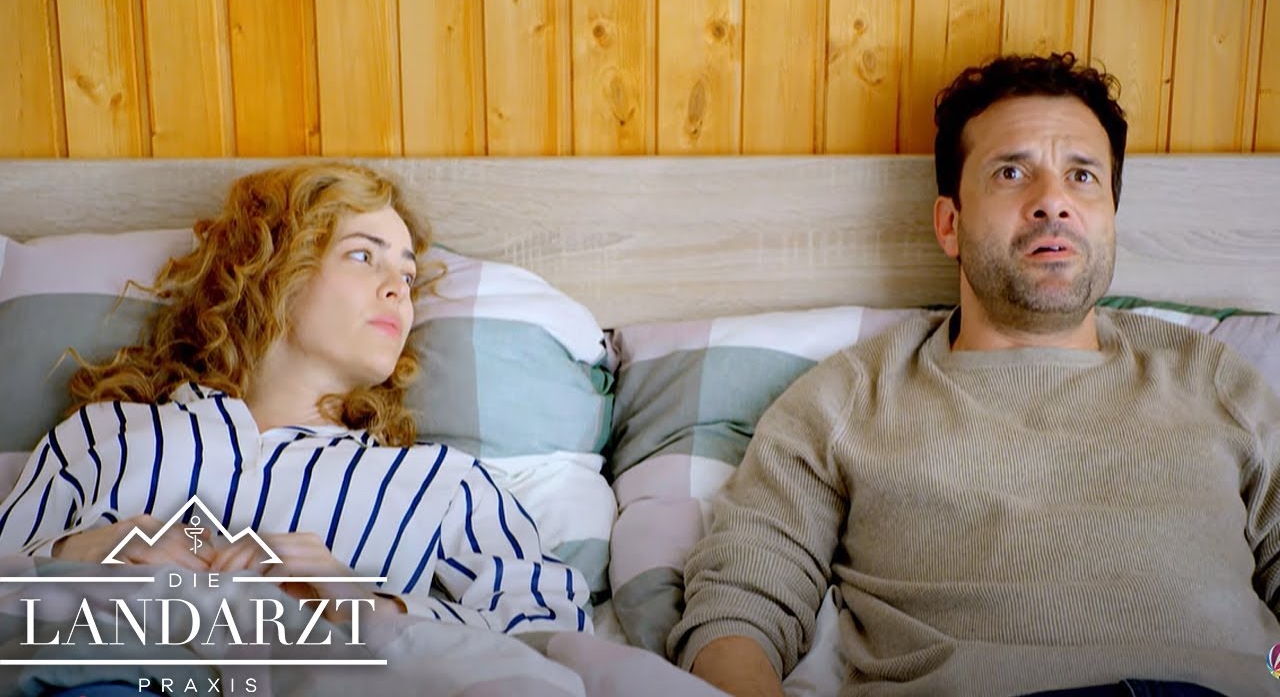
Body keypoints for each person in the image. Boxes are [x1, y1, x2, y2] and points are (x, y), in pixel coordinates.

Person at [668, 53, 1280, 696]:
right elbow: (738, 610)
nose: (1053, 203)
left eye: (1082, 176)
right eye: (1012, 172)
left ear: (1110, 218)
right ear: (950, 225)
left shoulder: (1216, 381)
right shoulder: (848, 401)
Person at [0, 162, 590, 639]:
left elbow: (552, 629)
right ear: (274, 268)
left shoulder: (441, 484)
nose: (397, 290)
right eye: (363, 256)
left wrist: (365, 606)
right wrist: (82, 550)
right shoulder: (105, 435)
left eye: (408, 277)